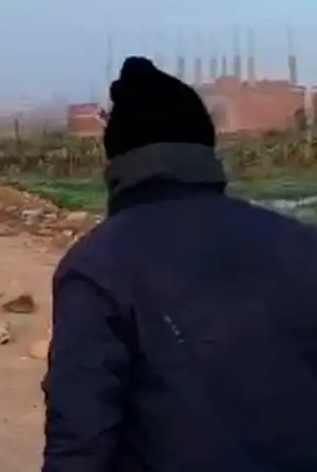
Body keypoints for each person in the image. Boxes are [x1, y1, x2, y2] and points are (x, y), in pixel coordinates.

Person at [42, 57, 317, 472]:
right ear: (205, 147)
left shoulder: (98, 268)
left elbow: (80, 437)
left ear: (117, 158)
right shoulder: (300, 243)